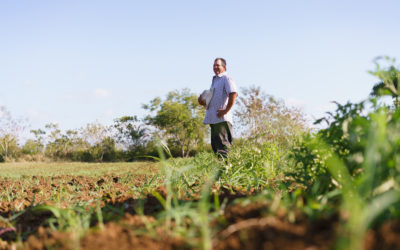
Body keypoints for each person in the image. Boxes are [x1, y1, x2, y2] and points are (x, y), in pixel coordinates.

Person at [198, 58, 238, 158]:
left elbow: (233, 94)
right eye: (214, 65)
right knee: (216, 149)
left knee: (224, 149)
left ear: (224, 67)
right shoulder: (215, 81)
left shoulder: (226, 78)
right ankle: (221, 172)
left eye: (218, 65)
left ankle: (228, 172)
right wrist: (203, 101)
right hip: (213, 120)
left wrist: (225, 110)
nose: (215, 67)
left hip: (222, 120)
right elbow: (212, 100)